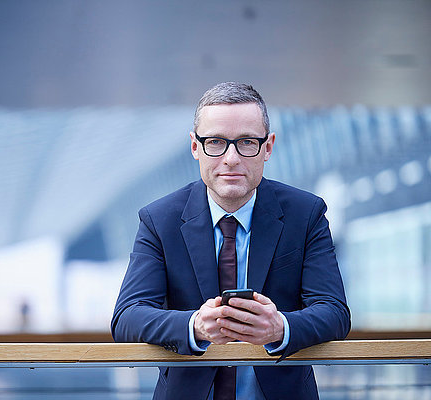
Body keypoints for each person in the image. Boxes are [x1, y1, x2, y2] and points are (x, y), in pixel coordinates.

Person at [111, 82, 350, 400]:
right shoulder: (160, 220)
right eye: (216, 142)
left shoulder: (306, 214)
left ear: (268, 147)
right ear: (195, 147)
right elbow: (128, 315)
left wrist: (279, 327)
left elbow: (334, 311)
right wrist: (195, 326)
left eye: (247, 142)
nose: (231, 158)